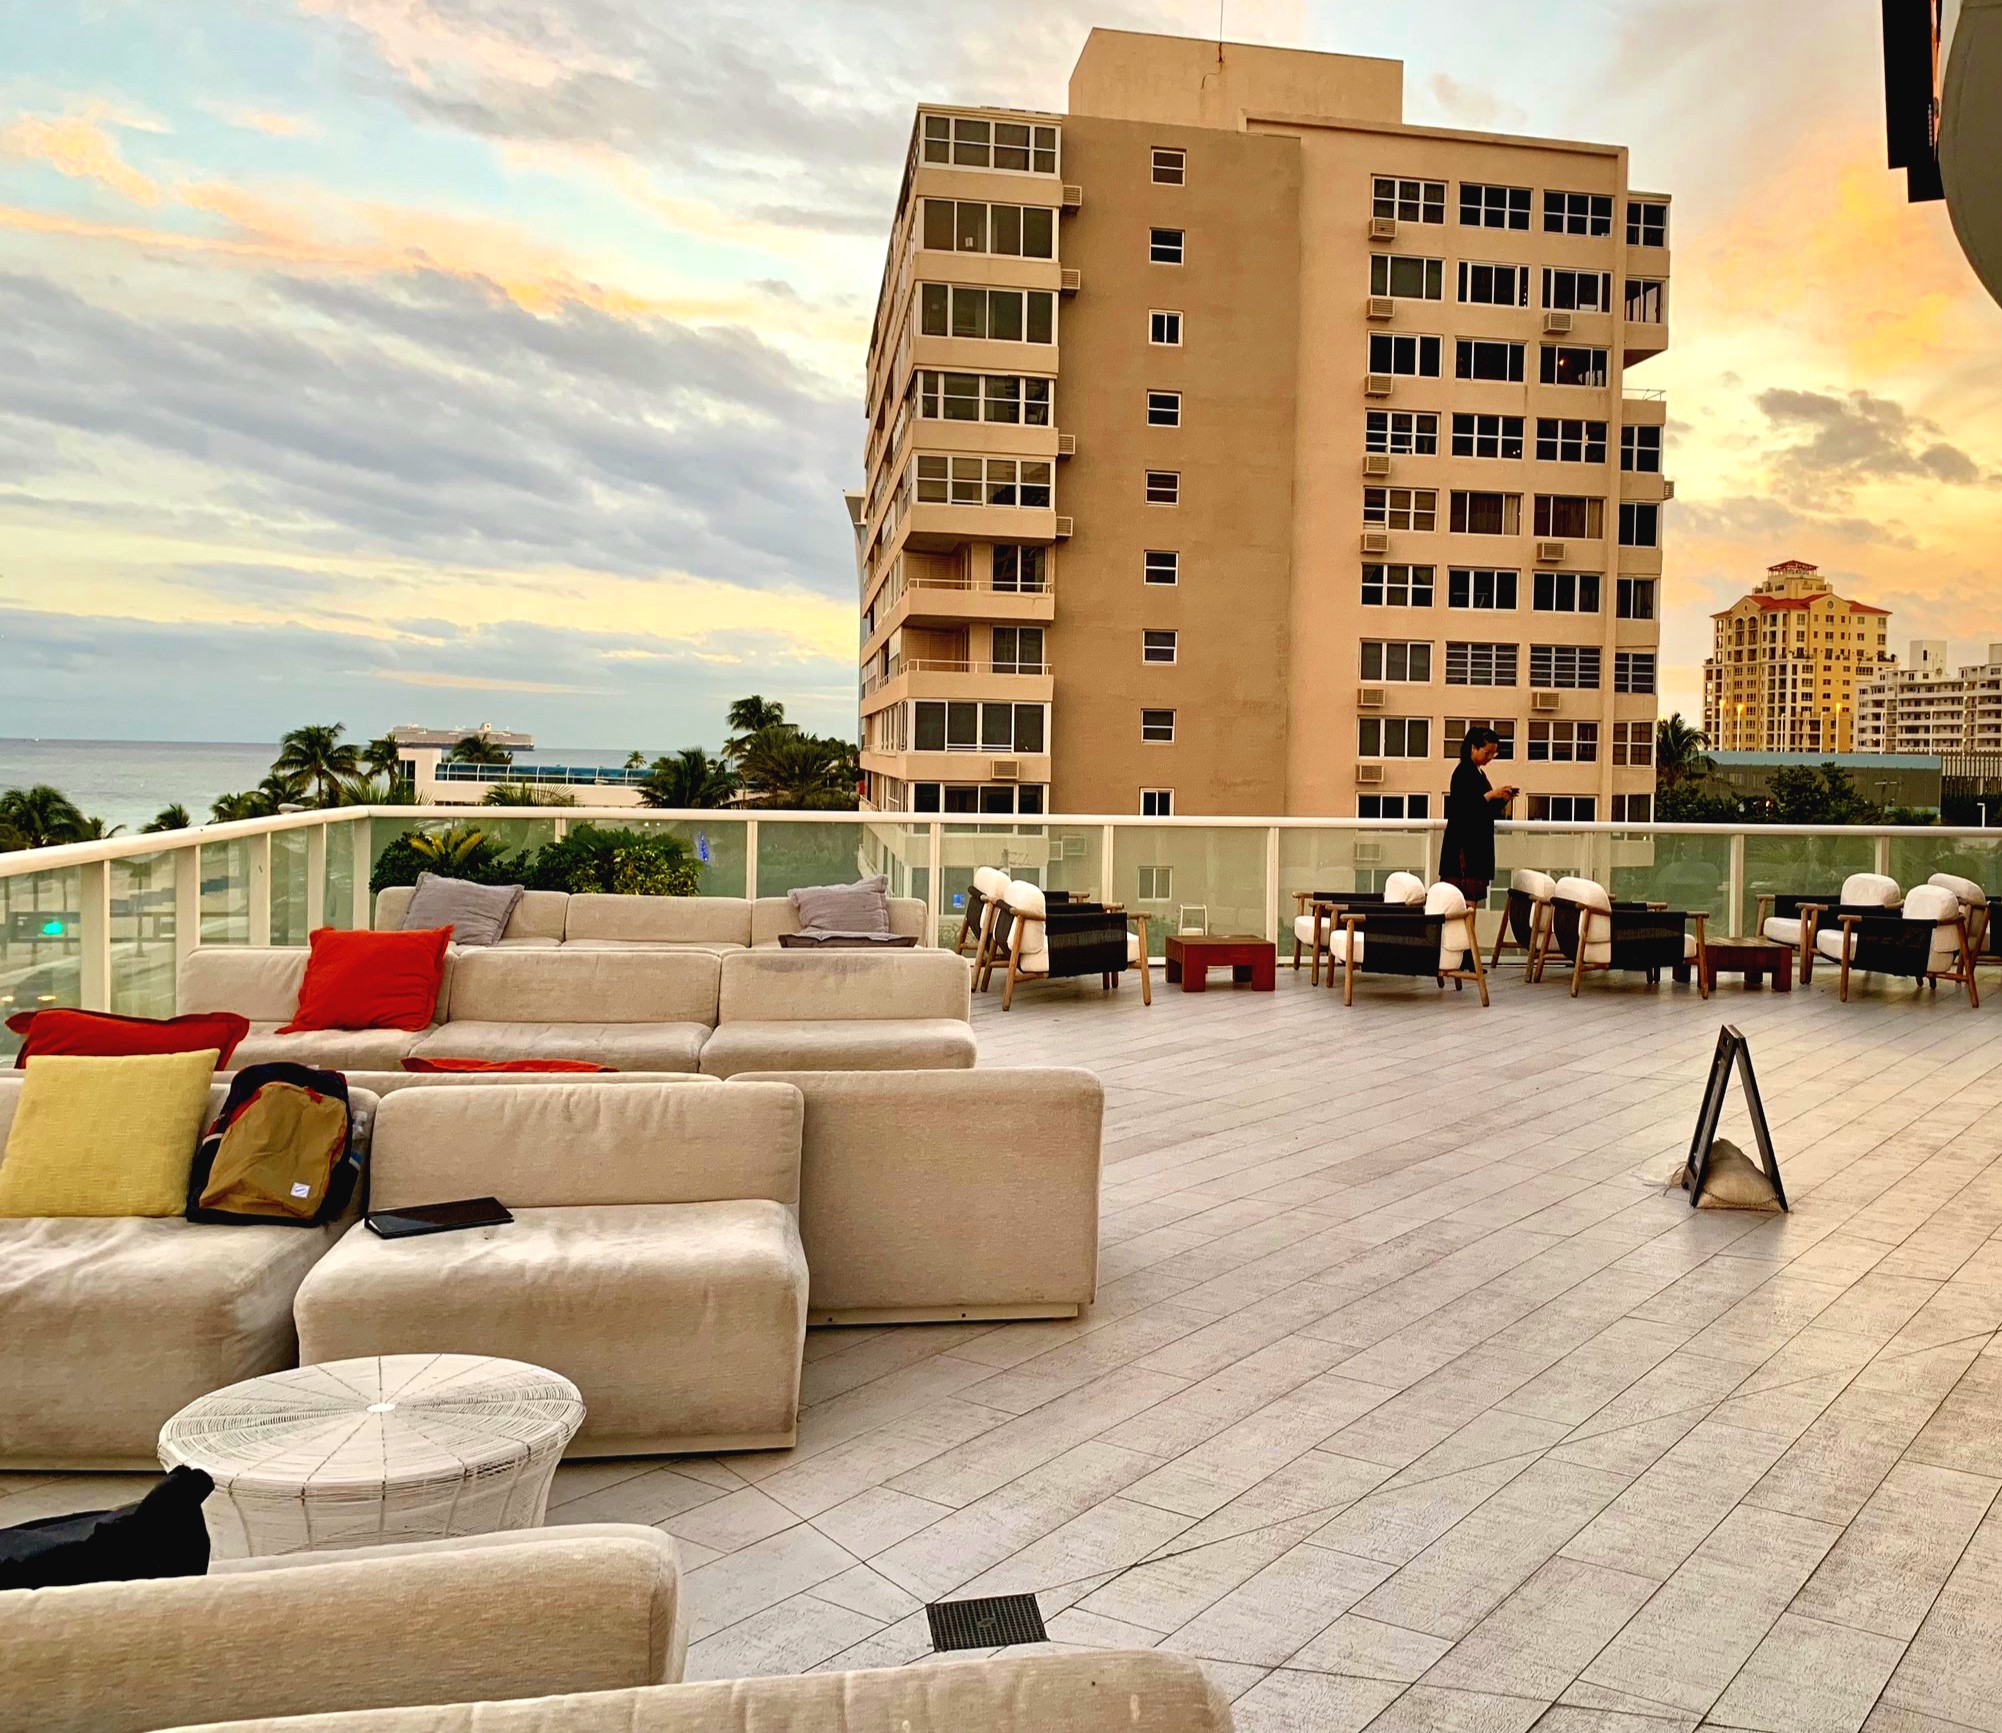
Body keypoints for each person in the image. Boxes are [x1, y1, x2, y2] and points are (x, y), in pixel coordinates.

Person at [1439, 726, 1517, 905]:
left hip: (1475, 848)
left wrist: (1501, 799)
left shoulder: (1478, 772)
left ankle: (1468, 933)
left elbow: (1483, 809)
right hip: (1465, 849)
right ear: (1473, 748)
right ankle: (1466, 934)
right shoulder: (1463, 772)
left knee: (1470, 901)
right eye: (1487, 752)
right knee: (1465, 902)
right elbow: (1465, 808)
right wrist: (1491, 795)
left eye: (1493, 754)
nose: (1490, 758)